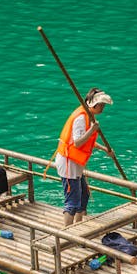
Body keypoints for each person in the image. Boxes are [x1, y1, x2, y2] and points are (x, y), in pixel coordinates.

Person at [55, 88, 114, 227]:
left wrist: (105, 149)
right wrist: (92, 130)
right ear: (93, 104)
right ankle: (68, 233)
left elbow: (89, 141)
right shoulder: (81, 117)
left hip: (76, 164)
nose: (103, 108)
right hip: (69, 163)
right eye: (101, 105)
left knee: (84, 195)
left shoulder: (89, 116)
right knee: (72, 202)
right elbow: (77, 142)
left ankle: (78, 225)